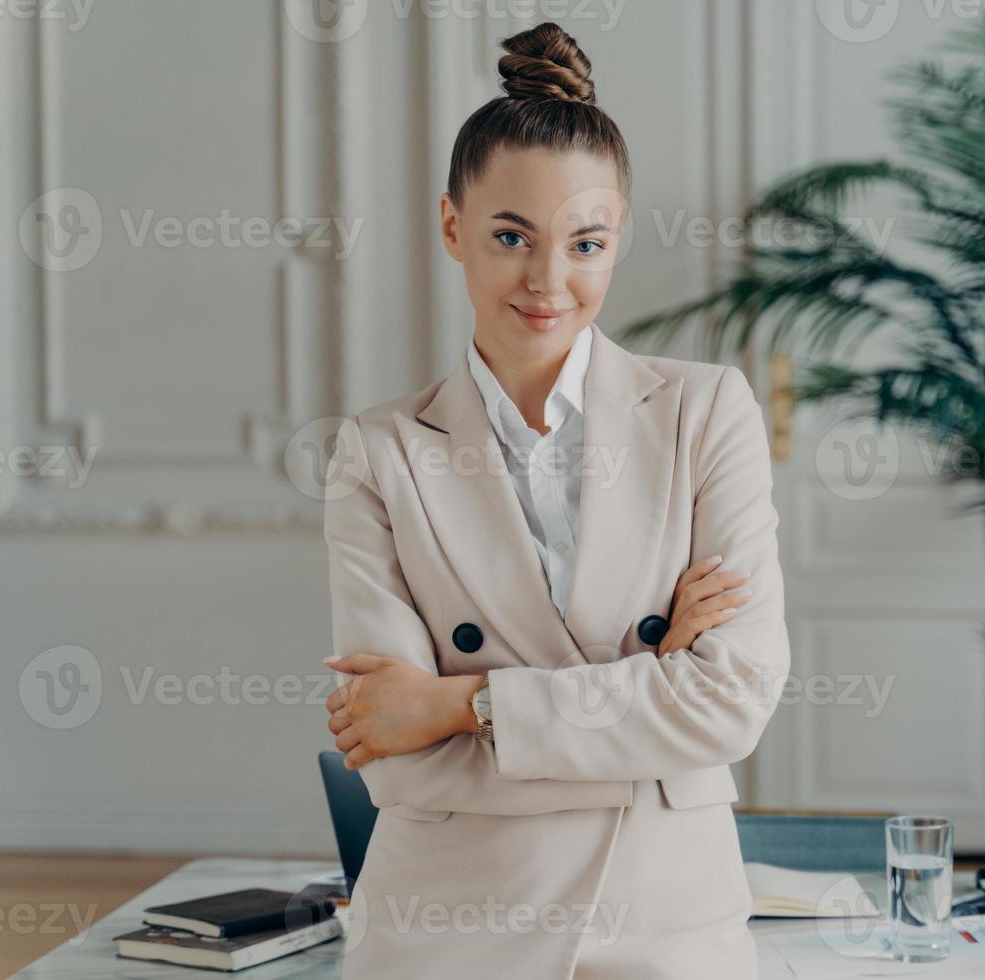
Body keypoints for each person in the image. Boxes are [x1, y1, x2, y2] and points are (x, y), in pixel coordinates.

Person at [320, 21, 789, 979]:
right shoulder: (379, 453)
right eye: (510, 237)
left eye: (585, 243)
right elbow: (395, 752)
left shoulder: (705, 414)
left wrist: (462, 706)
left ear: (617, 237)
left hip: (666, 925)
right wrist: (650, 669)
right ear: (453, 227)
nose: (547, 280)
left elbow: (729, 702)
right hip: (444, 925)